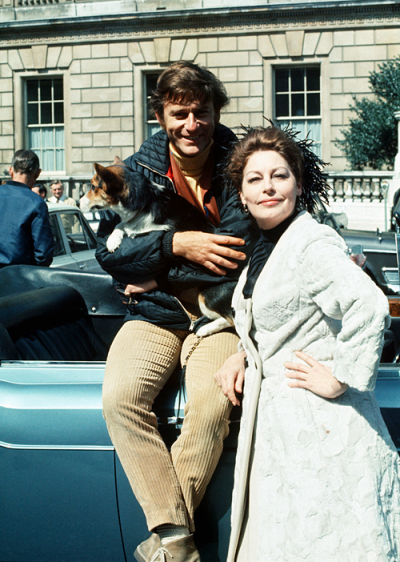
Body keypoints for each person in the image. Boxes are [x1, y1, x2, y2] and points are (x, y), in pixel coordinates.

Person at [95, 61, 257, 562]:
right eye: (180, 113)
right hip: (157, 315)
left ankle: (167, 545)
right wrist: (175, 245)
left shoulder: (242, 161)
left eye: (202, 112)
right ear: (161, 115)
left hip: (222, 317)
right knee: (121, 399)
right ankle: (179, 540)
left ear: (216, 112)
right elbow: (109, 255)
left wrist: (154, 266)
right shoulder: (138, 169)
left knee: (211, 408)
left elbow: (235, 252)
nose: (192, 124)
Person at [215, 125, 400, 562]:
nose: (268, 187)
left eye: (280, 175)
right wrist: (243, 353)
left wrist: (340, 378)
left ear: (298, 182)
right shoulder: (266, 245)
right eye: (255, 179)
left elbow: (368, 305)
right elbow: (283, 315)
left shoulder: (310, 241)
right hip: (285, 423)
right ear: (241, 195)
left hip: (322, 423)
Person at [0, 149, 54, 268]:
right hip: (18, 277)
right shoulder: (36, 202)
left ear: (10, 170)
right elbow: (43, 253)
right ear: (38, 173)